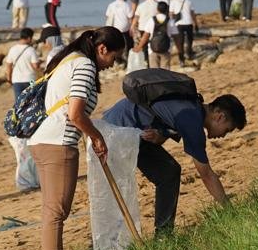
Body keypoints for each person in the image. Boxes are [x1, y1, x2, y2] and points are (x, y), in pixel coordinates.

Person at [26, 26, 127, 250]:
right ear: (102, 49)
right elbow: (75, 114)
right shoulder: (84, 65)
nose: (112, 65)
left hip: (44, 140)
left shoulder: (68, 59)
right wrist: (96, 138)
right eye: (114, 58)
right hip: (58, 143)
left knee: (53, 211)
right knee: (56, 212)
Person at [102, 91, 246, 234]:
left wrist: (160, 135)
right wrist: (231, 213)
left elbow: (164, 121)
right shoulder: (193, 121)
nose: (223, 135)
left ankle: (163, 235)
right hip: (116, 130)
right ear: (220, 117)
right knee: (117, 191)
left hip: (129, 128)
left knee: (169, 172)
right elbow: (207, 175)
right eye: (227, 130)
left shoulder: (192, 106)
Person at [6, 27, 40, 102]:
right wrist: (39, 63)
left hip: (17, 80)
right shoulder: (31, 50)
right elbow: (35, 66)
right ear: (28, 38)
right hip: (30, 79)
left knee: (19, 102)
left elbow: (8, 66)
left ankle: (19, 114)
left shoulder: (13, 49)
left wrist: (8, 78)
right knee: (32, 101)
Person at [170, 0, 196, 65]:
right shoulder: (188, 2)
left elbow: (171, 14)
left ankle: (181, 60)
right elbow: (192, 14)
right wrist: (196, 23)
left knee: (180, 42)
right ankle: (189, 53)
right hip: (189, 23)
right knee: (189, 40)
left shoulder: (173, 2)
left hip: (179, 24)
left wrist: (172, 24)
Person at [144, 2, 174, 68]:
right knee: (165, 71)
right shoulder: (170, 21)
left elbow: (145, 36)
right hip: (166, 48)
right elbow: (176, 36)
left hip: (152, 49)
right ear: (167, 10)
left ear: (157, 9)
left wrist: (139, 47)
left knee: (154, 71)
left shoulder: (151, 20)